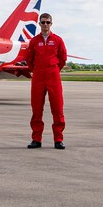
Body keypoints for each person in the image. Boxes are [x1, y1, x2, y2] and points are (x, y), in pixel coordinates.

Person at [26, 13, 68, 149]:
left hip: (53, 75)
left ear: (51, 24)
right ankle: (36, 139)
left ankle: (58, 139)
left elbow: (62, 59)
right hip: (38, 76)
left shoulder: (58, 40)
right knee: (36, 109)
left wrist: (54, 69)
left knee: (57, 108)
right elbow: (29, 59)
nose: (45, 25)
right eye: (43, 22)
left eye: (47, 22)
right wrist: (37, 69)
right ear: (39, 24)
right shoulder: (34, 41)